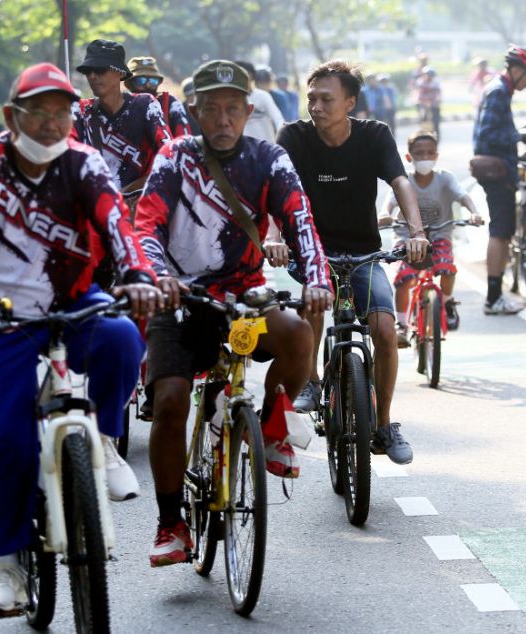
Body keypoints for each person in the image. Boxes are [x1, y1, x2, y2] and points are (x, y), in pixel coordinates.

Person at [0, 63, 161, 615]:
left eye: (61, 113)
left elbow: (118, 225)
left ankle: (105, 440)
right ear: (13, 117)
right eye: (38, 113)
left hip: (72, 301)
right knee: (7, 439)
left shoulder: (85, 165)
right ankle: (7, 568)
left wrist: (137, 277)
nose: (51, 124)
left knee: (120, 338)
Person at [134, 60, 333, 566]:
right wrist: (160, 276)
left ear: (248, 111)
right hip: (179, 299)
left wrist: (316, 280)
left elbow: (300, 223)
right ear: (195, 112)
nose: (223, 119)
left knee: (296, 335)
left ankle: (269, 426)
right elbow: (146, 227)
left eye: (232, 109)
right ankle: (171, 523)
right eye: (212, 109)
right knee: (173, 399)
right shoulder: (174, 157)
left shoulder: (270, 159)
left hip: (241, 298)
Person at [277, 60, 429, 464]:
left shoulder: (375, 136)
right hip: (310, 251)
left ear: (350, 102)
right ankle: (310, 381)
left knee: (383, 327)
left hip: (365, 254)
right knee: (315, 298)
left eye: (326, 99)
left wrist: (417, 233)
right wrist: (275, 238)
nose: (316, 106)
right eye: (311, 98)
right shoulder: (293, 137)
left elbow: (400, 183)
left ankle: (383, 424)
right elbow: (275, 191)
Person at [385, 130, 483, 342]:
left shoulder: (446, 178)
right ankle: (401, 323)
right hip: (407, 237)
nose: (425, 157)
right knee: (404, 278)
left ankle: (446, 302)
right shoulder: (404, 180)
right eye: (419, 153)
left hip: (440, 236)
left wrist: (474, 212)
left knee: (447, 268)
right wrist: (385, 215)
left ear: (437, 155)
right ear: (409, 157)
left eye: (430, 152)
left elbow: (462, 195)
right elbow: (390, 202)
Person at [473, 46, 526, 314]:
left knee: (502, 232)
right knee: (500, 233)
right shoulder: (499, 91)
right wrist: (520, 137)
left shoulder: (499, 90)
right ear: (516, 70)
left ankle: (495, 295)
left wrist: (519, 133)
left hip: (500, 170)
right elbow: (488, 135)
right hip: (497, 171)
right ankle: (493, 298)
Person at [73, 39, 173, 197]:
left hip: (139, 206)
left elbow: (170, 155)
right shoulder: (80, 110)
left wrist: (125, 194)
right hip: (92, 207)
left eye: (100, 70)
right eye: (88, 71)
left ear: (119, 72)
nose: (92, 76)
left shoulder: (145, 105)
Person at [125, 55, 196, 138]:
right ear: (128, 83)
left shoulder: (170, 103)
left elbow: (183, 138)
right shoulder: (119, 104)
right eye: (141, 80)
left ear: (159, 83)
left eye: (153, 81)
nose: (148, 85)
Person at [234, 60, 285, 142]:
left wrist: (282, 136)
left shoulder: (263, 96)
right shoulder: (233, 99)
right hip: (244, 148)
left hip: (267, 147)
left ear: (252, 76)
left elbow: (278, 118)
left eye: (245, 73)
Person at [415, 67, 443, 136]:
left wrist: (436, 100)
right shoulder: (420, 82)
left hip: (433, 106)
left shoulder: (436, 83)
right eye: (427, 74)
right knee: (423, 122)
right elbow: (419, 94)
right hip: (424, 106)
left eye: (431, 75)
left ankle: (436, 139)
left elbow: (438, 95)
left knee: (435, 123)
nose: (429, 76)